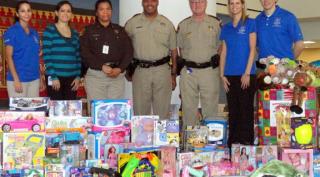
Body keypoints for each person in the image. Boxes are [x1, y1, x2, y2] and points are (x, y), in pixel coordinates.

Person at [125, 0, 177, 119]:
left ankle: (160, 137)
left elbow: (174, 52)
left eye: (153, 0)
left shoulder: (167, 24)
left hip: (162, 72)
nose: (150, 3)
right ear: (142, 2)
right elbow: (123, 47)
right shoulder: (132, 23)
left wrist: (173, 75)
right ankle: (142, 138)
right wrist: (127, 68)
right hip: (140, 71)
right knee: (140, 113)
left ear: (157, 2)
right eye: (146, 0)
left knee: (162, 111)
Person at [177, 0, 221, 128]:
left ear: (206, 3)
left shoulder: (216, 23)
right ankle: (190, 141)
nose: (197, 4)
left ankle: (211, 143)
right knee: (188, 108)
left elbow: (222, 45)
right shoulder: (183, 25)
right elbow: (180, 48)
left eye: (200, 1)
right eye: (193, 2)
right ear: (190, 4)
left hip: (209, 71)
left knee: (211, 108)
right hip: (189, 72)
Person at [80, 0, 133, 104]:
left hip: (116, 77)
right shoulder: (88, 30)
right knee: (98, 111)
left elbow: (129, 52)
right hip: (96, 77)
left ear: (111, 11)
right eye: (101, 9)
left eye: (108, 9)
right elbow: (84, 53)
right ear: (96, 12)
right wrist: (101, 66)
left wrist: (120, 68)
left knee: (115, 111)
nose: (105, 12)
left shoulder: (120, 30)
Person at [219, 0, 256, 146]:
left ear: (242, 5)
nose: (234, 6)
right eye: (231, 3)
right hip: (229, 76)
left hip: (246, 75)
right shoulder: (226, 28)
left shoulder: (250, 23)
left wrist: (246, 73)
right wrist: (222, 75)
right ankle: (233, 146)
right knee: (233, 112)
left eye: (237, 3)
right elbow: (224, 52)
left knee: (245, 113)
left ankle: (247, 146)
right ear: (228, 6)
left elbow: (252, 49)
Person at [4, 1, 44, 97]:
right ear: (17, 14)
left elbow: (35, 58)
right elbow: (8, 57)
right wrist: (16, 79)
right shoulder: (12, 31)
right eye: (23, 11)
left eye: (28, 10)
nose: (26, 13)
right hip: (18, 80)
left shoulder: (35, 33)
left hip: (34, 80)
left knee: (33, 112)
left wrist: (40, 78)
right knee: (19, 112)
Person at [42, 1, 81, 100]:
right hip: (54, 77)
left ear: (71, 14)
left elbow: (78, 56)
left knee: (70, 109)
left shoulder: (75, 33)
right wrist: (53, 77)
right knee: (56, 110)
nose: (65, 13)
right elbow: (47, 55)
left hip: (72, 78)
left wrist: (78, 76)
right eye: (62, 10)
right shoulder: (49, 30)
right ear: (56, 13)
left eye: (68, 11)